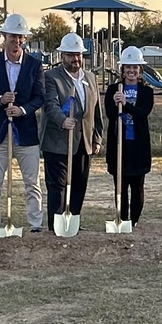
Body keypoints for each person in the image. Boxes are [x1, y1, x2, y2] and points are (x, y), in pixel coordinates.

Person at [0, 14, 45, 233]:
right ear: (4, 37)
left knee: (32, 182)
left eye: (20, 37)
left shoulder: (35, 65)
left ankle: (35, 224)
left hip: (26, 132)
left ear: (24, 39)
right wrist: (0, 100)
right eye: (12, 37)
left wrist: (22, 110)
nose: (16, 41)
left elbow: (40, 96)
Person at [41, 32, 104, 230]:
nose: (75, 59)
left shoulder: (91, 78)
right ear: (62, 56)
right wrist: (62, 121)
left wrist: (97, 138)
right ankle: (56, 225)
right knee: (58, 186)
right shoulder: (51, 77)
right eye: (70, 55)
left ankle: (73, 222)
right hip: (58, 141)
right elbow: (50, 105)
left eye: (77, 55)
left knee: (79, 184)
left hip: (84, 141)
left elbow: (96, 111)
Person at [104, 46, 154, 226]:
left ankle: (134, 221)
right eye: (128, 67)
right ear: (122, 69)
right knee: (120, 185)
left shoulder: (147, 92)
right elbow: (109, 114)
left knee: (137, 185)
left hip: (138, 146)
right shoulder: (112, 90)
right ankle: (122, 218)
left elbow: (143, 112)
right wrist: (116, 103)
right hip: (119, 144)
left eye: (135, 67)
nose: (131, 71)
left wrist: (125, 104)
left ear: (140, 70)